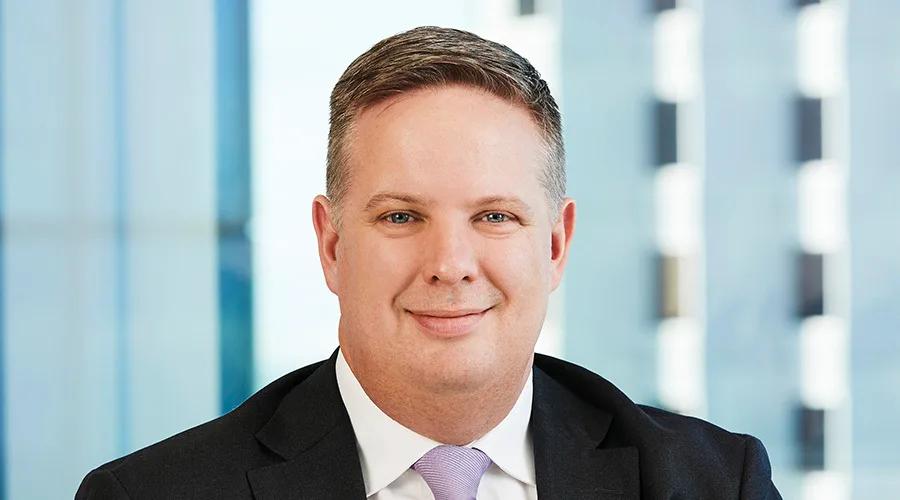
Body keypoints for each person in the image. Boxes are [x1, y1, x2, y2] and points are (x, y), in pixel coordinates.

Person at [77, 26, 782, 499]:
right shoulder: (149, 494)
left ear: (555, 245)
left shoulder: (715, 482)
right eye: (401, 217)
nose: (450, 265)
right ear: (331, 244)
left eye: (495, 216)